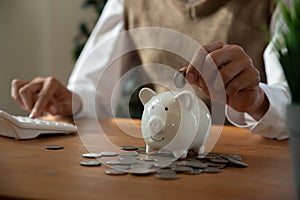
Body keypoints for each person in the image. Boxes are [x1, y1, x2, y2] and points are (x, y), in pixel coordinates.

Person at [11, 0, 291, 140]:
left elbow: (292, 97)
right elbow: (92, 88)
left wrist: (257, 101)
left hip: (253, 162)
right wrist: (72, 100)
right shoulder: (128, 3)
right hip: (165, 156)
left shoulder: (277, 5)